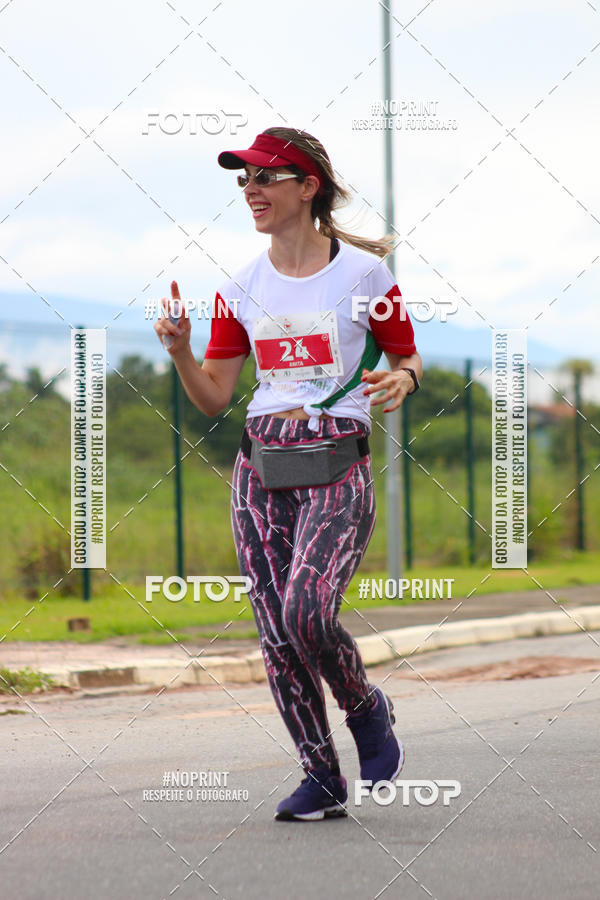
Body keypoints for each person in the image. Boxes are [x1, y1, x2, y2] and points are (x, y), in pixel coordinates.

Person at [154, 128, 423, 822]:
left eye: (265, 178)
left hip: (336, 464)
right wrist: (181, 353)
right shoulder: (239, 287)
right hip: (260, 466)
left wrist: (403, 379)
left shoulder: (364, 275)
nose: (251, 190)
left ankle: (365, 708)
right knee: (276, 633)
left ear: (308, 188)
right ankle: (320, 776)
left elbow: (405, 355)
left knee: (307, 611)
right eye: (244, 180)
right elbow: (215, 396)